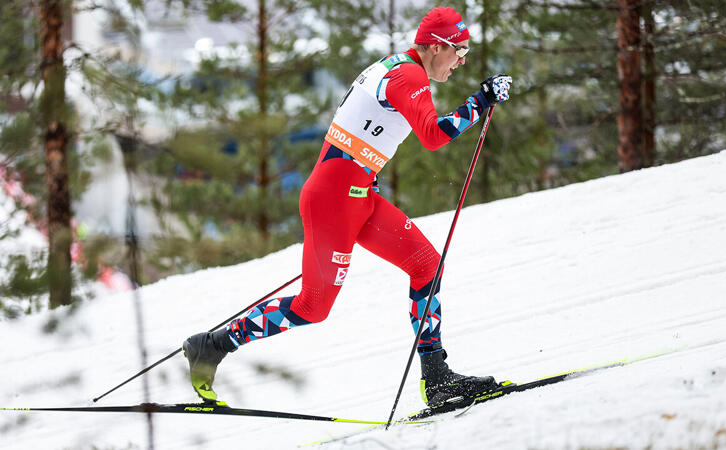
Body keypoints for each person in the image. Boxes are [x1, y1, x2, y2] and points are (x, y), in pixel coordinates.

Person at [183, 6, 513, 407]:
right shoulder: (408, 75)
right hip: (334, 200)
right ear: (435, 46)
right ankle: (212, 346)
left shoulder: (400, 69)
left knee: (427, 264)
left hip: (358, 196)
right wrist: (480, 101)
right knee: (312, 306)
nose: (461, 61)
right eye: (458, 51)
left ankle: (437, 377)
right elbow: (431, 136)